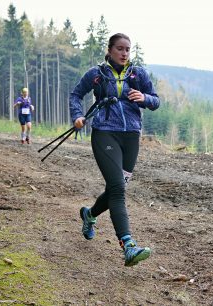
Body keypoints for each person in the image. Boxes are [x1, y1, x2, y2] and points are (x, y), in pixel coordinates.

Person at [69, 33, 160, 267]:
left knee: (115, 189)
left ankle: (89, 214)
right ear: (109, 50)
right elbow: (76, 94)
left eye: (128, 49)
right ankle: (128, 246)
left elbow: (156, 101)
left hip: (131, 137)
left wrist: (144, 98)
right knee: (118, 188)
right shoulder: (97, 74)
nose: (124, 53)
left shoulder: (138, 74)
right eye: (120, 48)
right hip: (104, 133)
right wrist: (77, 116)